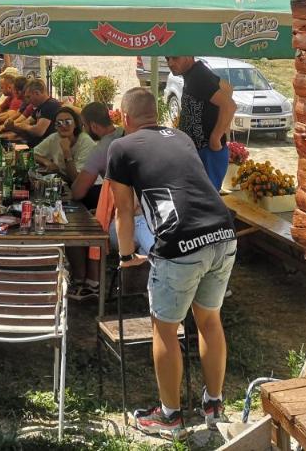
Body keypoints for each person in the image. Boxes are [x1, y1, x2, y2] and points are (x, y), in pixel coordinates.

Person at [108, 87, 238, 437]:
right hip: (223, 232)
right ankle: (213, 403)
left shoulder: (120, 147)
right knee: (209, 319)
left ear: (124, 118)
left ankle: (169, 416)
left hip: (179, 239)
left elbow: (123, 210)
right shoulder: (180, 137)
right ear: (157, 114)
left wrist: (124, 256)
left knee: (165, 327)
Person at [72, 102, 155, 256]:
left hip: (131, 216)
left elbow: (78, 192)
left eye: (84, 125)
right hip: (155, 210)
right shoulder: (128, 134)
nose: (83, 130)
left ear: (94, 126)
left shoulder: (104, 149)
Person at [166, 56, 237, 191]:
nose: (170, 63)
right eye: (167, 58)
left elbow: (229, 106)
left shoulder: (198, 76)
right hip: (202, 151)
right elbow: (228, 88)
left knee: (205, 201)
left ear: (188, 56)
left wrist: (216, 137)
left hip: (207, 152)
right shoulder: (195, 73)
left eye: (175, 58)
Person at [32, 106, 96, 183]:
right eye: (59, 123)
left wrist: (66, 151)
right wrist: (47, 162)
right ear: (55, 126)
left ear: (75, 124)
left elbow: (76, 180)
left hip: (90, 188)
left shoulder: (85, 141)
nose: (63, 126)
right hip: (64, 181)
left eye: (68, 122)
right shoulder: (54, 138)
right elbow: (33, 154)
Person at [4, 78, 60, 148]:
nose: (28, 101)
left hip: (45, 150)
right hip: (35, 146)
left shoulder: (51, 105)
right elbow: (26, 123)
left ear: (37, 93)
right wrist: (12, 127)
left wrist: (22, 126)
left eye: (28, 97)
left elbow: (38, 131)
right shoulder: (39, 107)